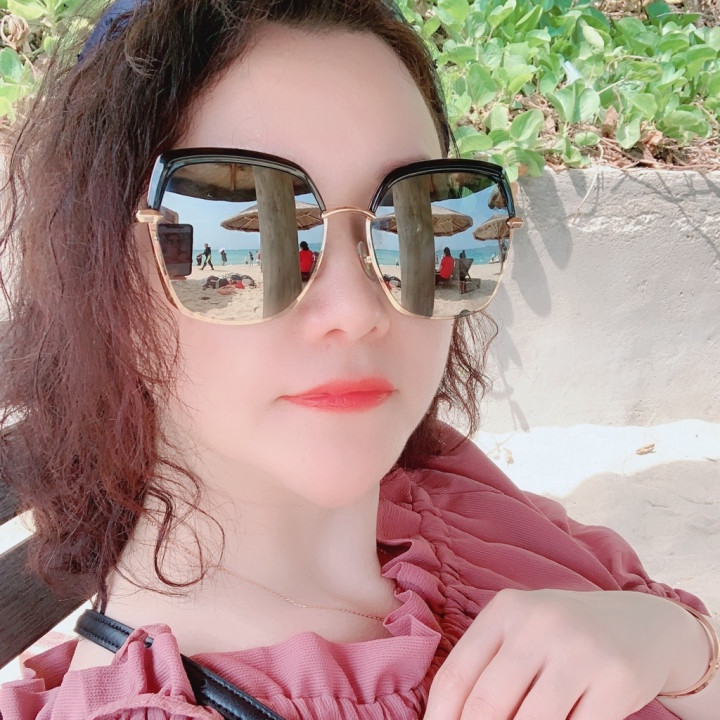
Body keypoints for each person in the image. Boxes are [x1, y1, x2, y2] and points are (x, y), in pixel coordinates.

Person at [0, 1, 717, 719]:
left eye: (417, 217)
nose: (357, 308)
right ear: (101, 277)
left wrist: (676, 645)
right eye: (247, 236)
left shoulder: (445, 486)